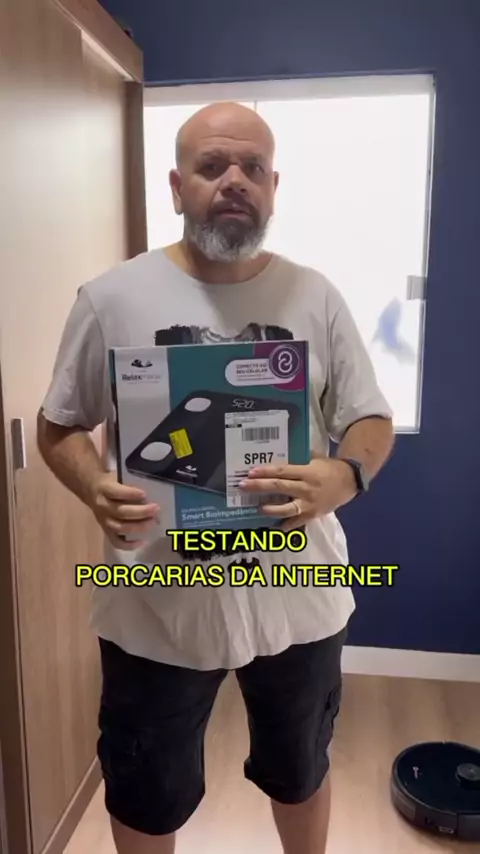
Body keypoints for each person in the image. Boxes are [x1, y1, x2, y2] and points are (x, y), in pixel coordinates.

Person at [37, 102, 394, 854]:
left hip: (297, 598)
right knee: (146, 794)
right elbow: (58, 424)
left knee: (300, 770)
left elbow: (370, 418)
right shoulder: (111, 298)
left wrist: (344, 475)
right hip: (155, 606)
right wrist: (92, 486)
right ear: (177, 187)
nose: (234, 180)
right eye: (211, 166)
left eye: (252, 168)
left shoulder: (315, 296)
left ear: (273, 188)